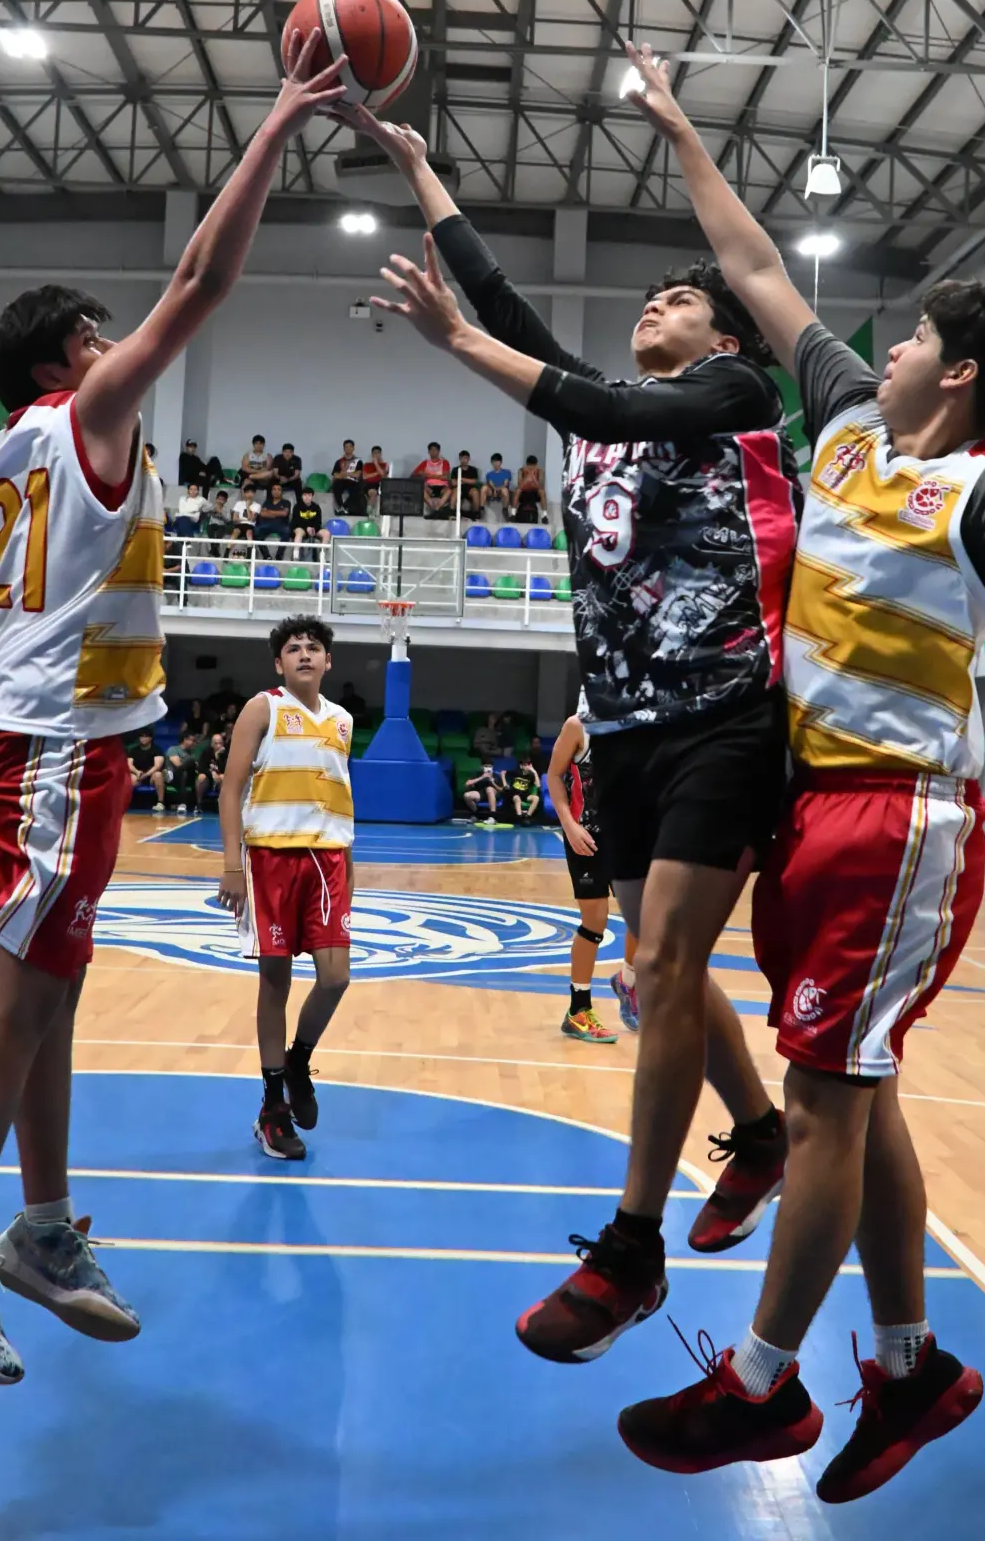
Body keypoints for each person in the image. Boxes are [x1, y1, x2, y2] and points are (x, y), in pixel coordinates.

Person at [611, 39, 985, 1496]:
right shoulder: (848, 423)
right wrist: (678, 127)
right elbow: (756, 263)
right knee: (865, 1094)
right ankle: (909, 1370)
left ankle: (764, 1386)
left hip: (899, 815)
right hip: (809, 807)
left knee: (826, 1106)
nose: (888, 342)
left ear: (960, 372)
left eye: (914, 335)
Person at [0, 29, 346, 1385]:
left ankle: (35, 1229)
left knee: (58, 998)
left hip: (50, 731)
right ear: (70, 358)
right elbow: (205, 279)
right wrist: (279, 121)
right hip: (48, 745)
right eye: (96, 335)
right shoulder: (81, 418)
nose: (114, 342)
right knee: (23, 1007)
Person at [352, 103, 799, 1363]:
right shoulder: (605, 404)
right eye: (648, 302)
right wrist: (423, 165)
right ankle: (758, 1132)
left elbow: (596, 406)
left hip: (726, 713)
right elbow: (503, 306)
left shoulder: (732, 394)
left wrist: (453, 346)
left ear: (721, 331)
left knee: (652, 969)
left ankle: (632, 1244)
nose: (655, 307)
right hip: (625, 729)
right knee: (658, 963)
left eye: (677, 298)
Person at [217, 617, 355, 1161]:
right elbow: (231, 789)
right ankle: (273, 1105)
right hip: (270, 856)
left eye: (313, 647)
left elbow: (342, 796)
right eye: (293, 648)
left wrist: (351, 867)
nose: (303, 654)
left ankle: (298, 1061)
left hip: (328, 861)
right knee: (274, 981)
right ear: (279, 664)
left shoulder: (342, 720)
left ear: (327, 662)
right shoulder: (263, 707)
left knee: (336, 977)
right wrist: (233, 865)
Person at [545, 714, 617, 1044]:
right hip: (585, 835)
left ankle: (629, 982)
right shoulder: (578, 726)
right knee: (595, 919)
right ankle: (578, 1009)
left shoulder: (643, 719)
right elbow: (554, 775)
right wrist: (570, 826)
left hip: (627, 837)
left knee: (648, 915)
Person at [163, 729, 202, 815]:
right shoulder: (173, 749)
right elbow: (177, 764)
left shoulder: (191, 753)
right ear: (185, 740)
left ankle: (194, 805)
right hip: (175, 777)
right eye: (192, 740)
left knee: (191, 767)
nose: (194, 743)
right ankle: (182, 804)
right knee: (185, 769)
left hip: (188, 777)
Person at [254, 480, 293, 557]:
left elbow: (284, 513)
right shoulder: (267, 501)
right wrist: (277, 513)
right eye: (274, 489)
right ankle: (266, 556)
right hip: (266, 524)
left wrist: (269, 511)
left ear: (282, 492)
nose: (276, 491)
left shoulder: (286, 502)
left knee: (287, 531)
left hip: (281, 525)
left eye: (279, 489)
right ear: (271, 491)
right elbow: (262, 513)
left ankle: (279, 555)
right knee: (256, 531)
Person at [415, 440, 453, 518]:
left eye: (435, 450)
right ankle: (435, 510)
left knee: (449, 491)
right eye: (431, 450)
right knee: (421, 490)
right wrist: (438, 476)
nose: (433, 452)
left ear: (438, 451)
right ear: (428, 452)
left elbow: (445, 477)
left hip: (442, 487)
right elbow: (415, 474)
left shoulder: (444, 462)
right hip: (429, 487)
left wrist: (427, 475)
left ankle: (436, 510)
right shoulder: (425, 463)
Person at [126, 729, 164, 806]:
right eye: (142, 737)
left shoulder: (157, 749)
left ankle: (160, 802)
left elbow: (157, 766)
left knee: (158, 775)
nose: (144, 738)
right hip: (138, 775)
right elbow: (129, 764)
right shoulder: (133, 750)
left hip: (151, 776)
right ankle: (126, 802)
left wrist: (145, 775)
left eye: (146, 737)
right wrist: (137, 772)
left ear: (151, 738)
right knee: (130, 777)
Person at [331, 439, 368, 517]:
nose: (348, 449)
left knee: (357, 489)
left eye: (350, 447)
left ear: (353, 448)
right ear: (344, 448)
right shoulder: (339, 461)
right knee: (336, 485)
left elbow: (357, 474)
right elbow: (335, 475)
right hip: (341, 481)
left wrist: (346, 473)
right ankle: (340, 507)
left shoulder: (358, 461)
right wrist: (344, 474)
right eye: (346, 447)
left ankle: (345, 507)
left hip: (353, 481)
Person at [197, 729, 228, 813]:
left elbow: (226, 769)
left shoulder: (226, 754)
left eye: (220, 743)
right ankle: (199, 804)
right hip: (209, 779)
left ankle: (221, 803)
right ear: (211, 744)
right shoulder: (206, 752)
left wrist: (218, 757)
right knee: (201, 777)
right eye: (216, 743)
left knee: (223, 776)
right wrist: (211, 773)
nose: (218, 745)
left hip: (219, 779)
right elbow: (201, 768)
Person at [511, 456, 545, 525]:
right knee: (517, 490)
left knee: (542, 491)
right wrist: (528, 475)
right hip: (523, 492)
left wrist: (532, 475)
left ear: (536, 465)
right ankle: (513, 514)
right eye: (529, 466)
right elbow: (520, 484)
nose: (531, 468)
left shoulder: (540, 471)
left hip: (534, 493)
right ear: (526, 465)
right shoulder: (521, 470)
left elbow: (540, 485)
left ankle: (544, 515)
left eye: (533, 466)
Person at [506, 756, 541, 823]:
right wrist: (505, 783)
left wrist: (535, 772)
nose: (527, 767)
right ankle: (519, 817)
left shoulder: (531, 775)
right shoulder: (515, 772)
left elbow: (538, 785)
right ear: (521, 766)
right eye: (525, 765)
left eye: (529, 765)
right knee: (517, 798)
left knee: (536, 798)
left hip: (525, 795)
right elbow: (503, 773)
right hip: (514, 794)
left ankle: (527, 816)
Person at [292, 484, 323, 551]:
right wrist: (306, 528)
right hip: (300, 528)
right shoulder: (297, 506)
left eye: (309, 495)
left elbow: (318, 521)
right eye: (305, 495)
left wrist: (314, 528)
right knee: (299, 532)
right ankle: (296, 554)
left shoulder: (316, 507)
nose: (307, 497)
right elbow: (296, 521)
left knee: (326, 533)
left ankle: (322, 554)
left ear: (312, 496)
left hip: (313, 529)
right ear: (302, 496)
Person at [454, 449, 481, 518]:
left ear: (468, 459)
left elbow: (474, 481)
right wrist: (467, 481)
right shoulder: (455, 469)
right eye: (462, 458)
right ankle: (454, 512)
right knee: (456, 491)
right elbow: (453, 482)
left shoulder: (473, 469)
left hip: (470, 489)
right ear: (460, 459)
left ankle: (476, 513)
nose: (464, 460)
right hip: (459, 488)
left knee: (475, 491)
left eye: (465, 458)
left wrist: (461, 479)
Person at [363, 445, 390, 509]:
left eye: (378, 453)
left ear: (380, 454)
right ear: (372, 454)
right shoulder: (366, 465)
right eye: (375, 453)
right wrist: (377, 473)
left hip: (381, 483)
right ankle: (370, 512)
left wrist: (376, 464)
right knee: (373, 492)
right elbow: (365, 477)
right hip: (370, 484)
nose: (376, 454)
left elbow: (383, 476)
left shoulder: (385, 465)